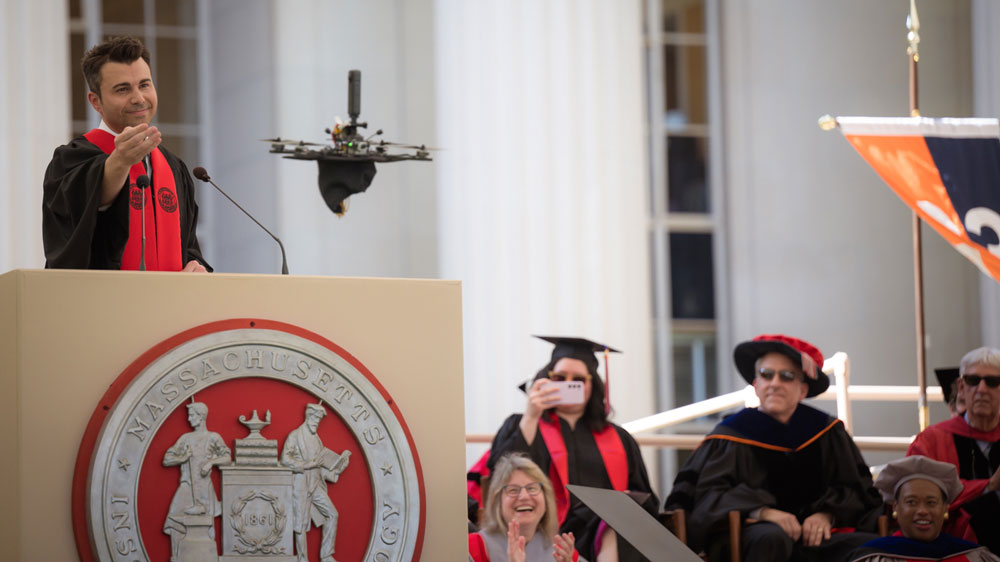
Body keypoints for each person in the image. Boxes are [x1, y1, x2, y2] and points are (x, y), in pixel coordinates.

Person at [664, 333, 882, 562]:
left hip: (817, 536)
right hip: (754, 534)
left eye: (787, 376)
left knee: (869, 547)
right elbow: (708, 497)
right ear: (756, 385)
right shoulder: (731, 435)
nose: (775, 383)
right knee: (771, 537)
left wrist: (827, 515)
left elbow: (858, 491)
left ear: (803, 390)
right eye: (767, 375)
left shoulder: (827, 432)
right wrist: (764, 512)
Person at [43, 35, 209, 271]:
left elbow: (189, 247)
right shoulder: (71, 161)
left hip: (171, 305)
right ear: (96, 101)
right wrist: (119, 163)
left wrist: (197, 266)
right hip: (102, 304)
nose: (139, 98)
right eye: (123, 89)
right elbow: (75, 228)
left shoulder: (173, 167)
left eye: (144, 85)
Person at [487, 336, 656, 562]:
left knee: (618, 517)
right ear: (546, 380)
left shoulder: (619, 437)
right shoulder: (522, 423)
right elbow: (503, 477)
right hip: (545, 531)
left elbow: (648, 501)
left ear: (591, 385)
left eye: (577, 379)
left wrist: (626, 501)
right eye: (559, 378)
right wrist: (531, 416)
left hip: (606, 531)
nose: (567, 383)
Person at [907, 347, 1000, 553]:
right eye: (973, 381)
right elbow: (917, 499)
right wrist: (988, 486)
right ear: (961, 386)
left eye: (992, 382)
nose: (982, 389)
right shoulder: (931, 441)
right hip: (953, 546)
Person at [849, 455, 1000, 562]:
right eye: (912, 502)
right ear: (896, 507)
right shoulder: (875, 557)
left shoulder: (974, 556)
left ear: (945, 508)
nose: (922, 511)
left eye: (931, 503)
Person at [469, 453, 582, 562]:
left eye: (532, 488)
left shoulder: (564, 552)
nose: (524, 496)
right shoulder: (472, 548)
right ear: (498, 502)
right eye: (513, 490)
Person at [162, 402, 231, 561]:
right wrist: (182, 458)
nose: (189, 419)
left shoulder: (213, 437)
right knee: (173, 518)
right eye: (189, 415)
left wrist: (211, 463)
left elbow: (227, 457)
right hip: (186, 486)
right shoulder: (185, 438)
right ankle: (177, 556)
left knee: (204, 527)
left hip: (203, 489)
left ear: (201, 417)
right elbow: (167, 459)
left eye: (192, 415)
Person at [282, 403, 351, 562]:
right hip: (300, 486)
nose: (316, 423)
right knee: (300, 526)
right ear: (308, 417)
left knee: (332, 514)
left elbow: (321, 466)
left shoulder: (316, 439)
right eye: (315, 419)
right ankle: (303, 559)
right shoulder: (295, 435)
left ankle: (326, 555)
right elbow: (285, 460)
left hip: (316, 485)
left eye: (319, 421)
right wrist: (307, 465)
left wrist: (338, 467)